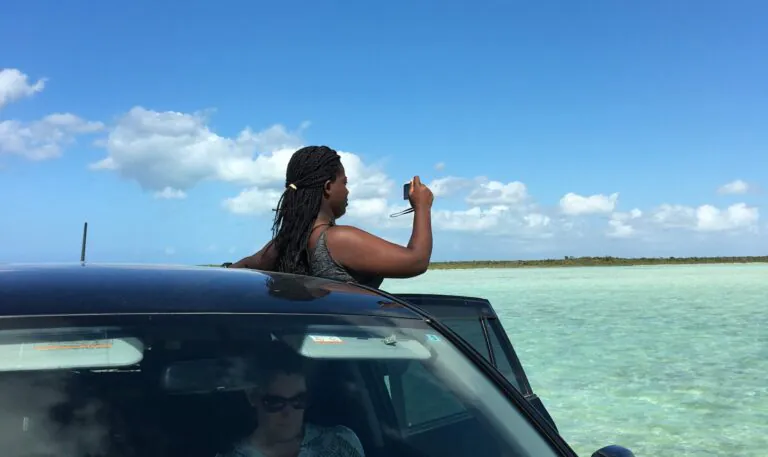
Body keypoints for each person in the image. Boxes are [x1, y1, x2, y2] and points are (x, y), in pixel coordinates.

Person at [230, 146, 434, 288]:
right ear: (328, 187)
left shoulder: (281, 245)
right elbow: (416, 261)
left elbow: (242, 267)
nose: (347, 191)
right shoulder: (338, 240)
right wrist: (422, 206)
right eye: (344, 183)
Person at [217, 342, 365, 457]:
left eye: (298, 400)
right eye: (276, 403)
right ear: (252, 397)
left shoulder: (339, 443)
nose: (288, 412)